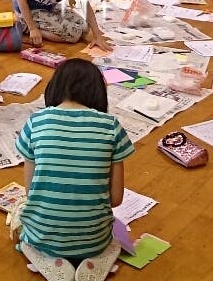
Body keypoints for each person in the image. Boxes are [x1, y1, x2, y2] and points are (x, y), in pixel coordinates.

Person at [13, 59, 131, 280]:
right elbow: (115, 198)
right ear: (98, 93)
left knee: (20, 222)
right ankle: (98, 259)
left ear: (54, 88)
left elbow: (31, 192)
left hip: (43, 236)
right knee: (109, 237)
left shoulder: (36, 122)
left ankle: (44, 257)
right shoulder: (111, 126)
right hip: (95, 241)